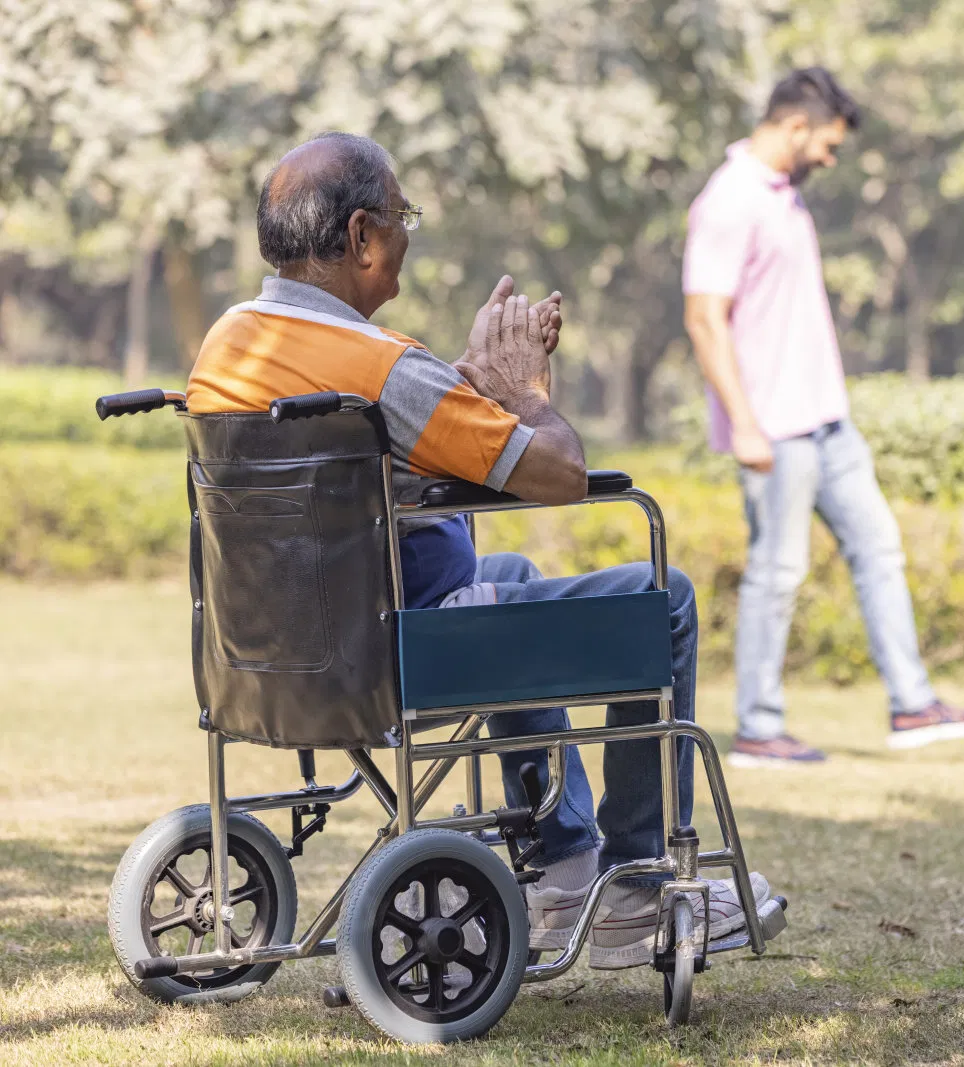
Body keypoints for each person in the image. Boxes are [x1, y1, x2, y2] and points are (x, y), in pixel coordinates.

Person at [185, 132, 771, 968]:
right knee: (665, 594)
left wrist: (462, 386)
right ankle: (635, 889)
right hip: (399, 652)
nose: (407, 234)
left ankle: (562, 861)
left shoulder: (230, 344)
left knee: (511, 576)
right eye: (402, 216)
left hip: (272, 651)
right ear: (360, 235)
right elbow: (560, 473)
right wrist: (526, 393)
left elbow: (386, 437)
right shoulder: (383, 367)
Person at [682, 69, 964, 768]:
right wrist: (744, 424)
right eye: (828, 144)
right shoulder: (730, 199)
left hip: (827, 419)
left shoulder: (783, 195)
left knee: (879, 547)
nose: (830, 158)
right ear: (796, 126)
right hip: (775, 426)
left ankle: (912, 704)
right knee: (778, 571)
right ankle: (759, 728)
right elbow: (704, 318)